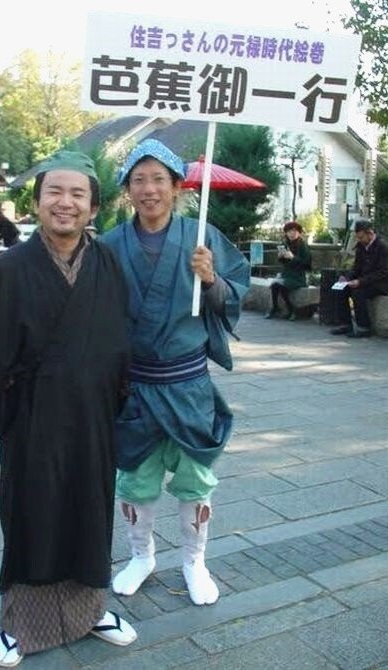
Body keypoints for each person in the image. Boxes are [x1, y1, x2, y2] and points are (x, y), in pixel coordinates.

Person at [0, 151, 137, 667]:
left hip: (91, 418)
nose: (66, 203)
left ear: (93, 206)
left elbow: (120, 338)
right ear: (38, 201)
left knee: (89, 510)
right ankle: (21, 625)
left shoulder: (108, 261)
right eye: (55, 193)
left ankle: (90, 611)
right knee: (31, 514)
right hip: (33, 419)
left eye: (78, 194)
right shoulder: (10, 270)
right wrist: (15, 424)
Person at [100, 139, 250, 608]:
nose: (149, 189)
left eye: (158, 180)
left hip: (187, 384)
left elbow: (235, 292)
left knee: (195, 479)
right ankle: (141, 555)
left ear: (177, 187)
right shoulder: (108, 245)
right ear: (127, 190)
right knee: (136, 479)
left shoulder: (202, 237)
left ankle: (194, 561)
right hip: (136, 385)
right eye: (138, 180)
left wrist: (211, 280)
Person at [330, 219, 388, 338]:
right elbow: (357, 267)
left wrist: (360, 281)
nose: (360, 240)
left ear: (370, 234)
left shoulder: (383, 247)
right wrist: (347, 278)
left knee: (358, 292)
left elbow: (383, 272)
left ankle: (364, 327)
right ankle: (345, 323)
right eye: (358, 238)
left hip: (383, 283)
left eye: (361, 237)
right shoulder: (361, 247)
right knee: (341, 289)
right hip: (367, 280)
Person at [266, 221, 312, 320]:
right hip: (287, 275)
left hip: (298, 277)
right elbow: (284, 263)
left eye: (294, 231)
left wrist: (293, 257)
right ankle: (275, 308)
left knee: (281, 286)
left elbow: (307, 264)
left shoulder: (303, 246)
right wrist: (281, 257)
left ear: (299, 233)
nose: (292, 233)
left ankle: (292, 310)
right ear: (286, 233)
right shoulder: (286, 244)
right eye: (289, 231)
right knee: (274, 285)